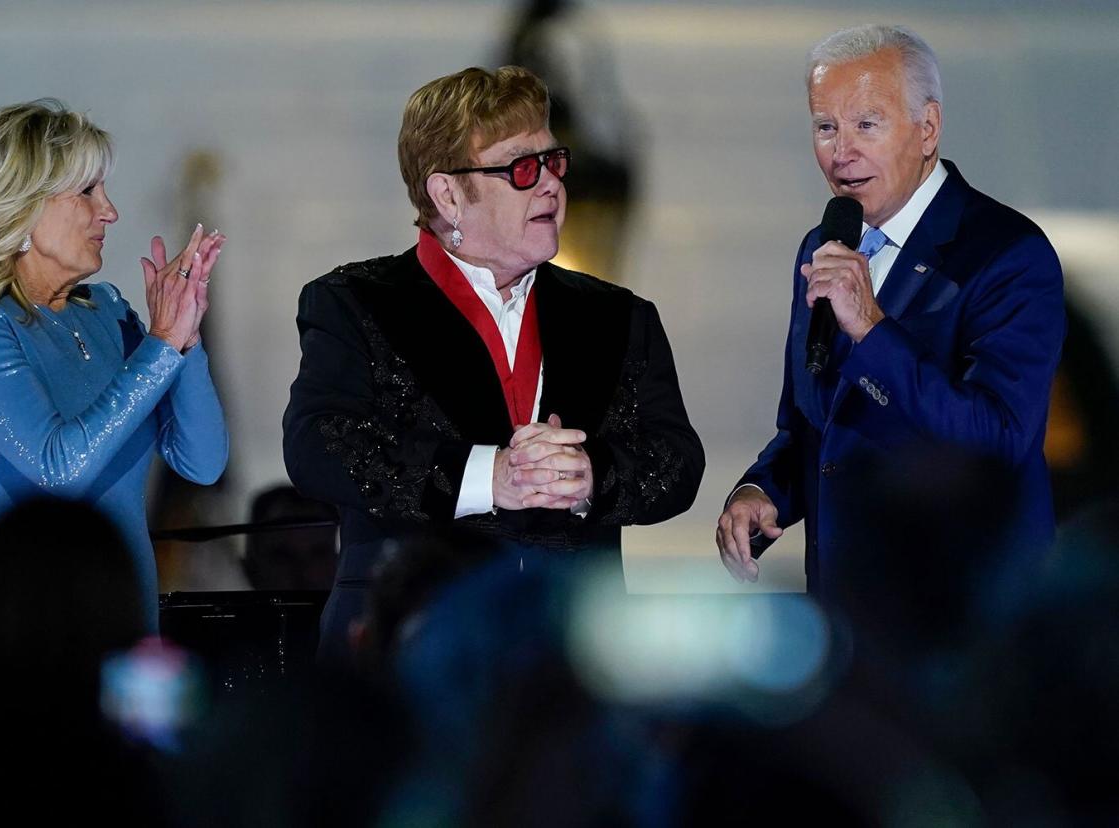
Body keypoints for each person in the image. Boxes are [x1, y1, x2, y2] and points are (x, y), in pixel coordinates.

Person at [283, 66, 704, 657]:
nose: (551, 186)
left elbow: (677, 460)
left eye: (554, 162)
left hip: (571, 655)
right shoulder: (356, 302)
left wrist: (589, 476)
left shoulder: (618, 316)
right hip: (408, 641)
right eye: (522, 169)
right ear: (447, 193)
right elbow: (319, 443)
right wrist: (491, 475)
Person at [716, 25, 1064, 607]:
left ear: (927, 128)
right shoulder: (822, 247)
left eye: (865, 126)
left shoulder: (1008, 254)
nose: (840, 152)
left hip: (967, 619)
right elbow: (812, 426)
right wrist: (763, 490)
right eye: (825, 127)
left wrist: (873, 332)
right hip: (850, 616)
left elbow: (999, 444)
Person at [0, 99, 229, 631]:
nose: (109, 211)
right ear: (23, 205)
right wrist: (160, 344)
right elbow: (57, 468)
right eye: (88, 192)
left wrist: (186, 336)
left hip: (127, 618)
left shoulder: (107, 310)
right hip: (22, 628)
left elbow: (202, 462)